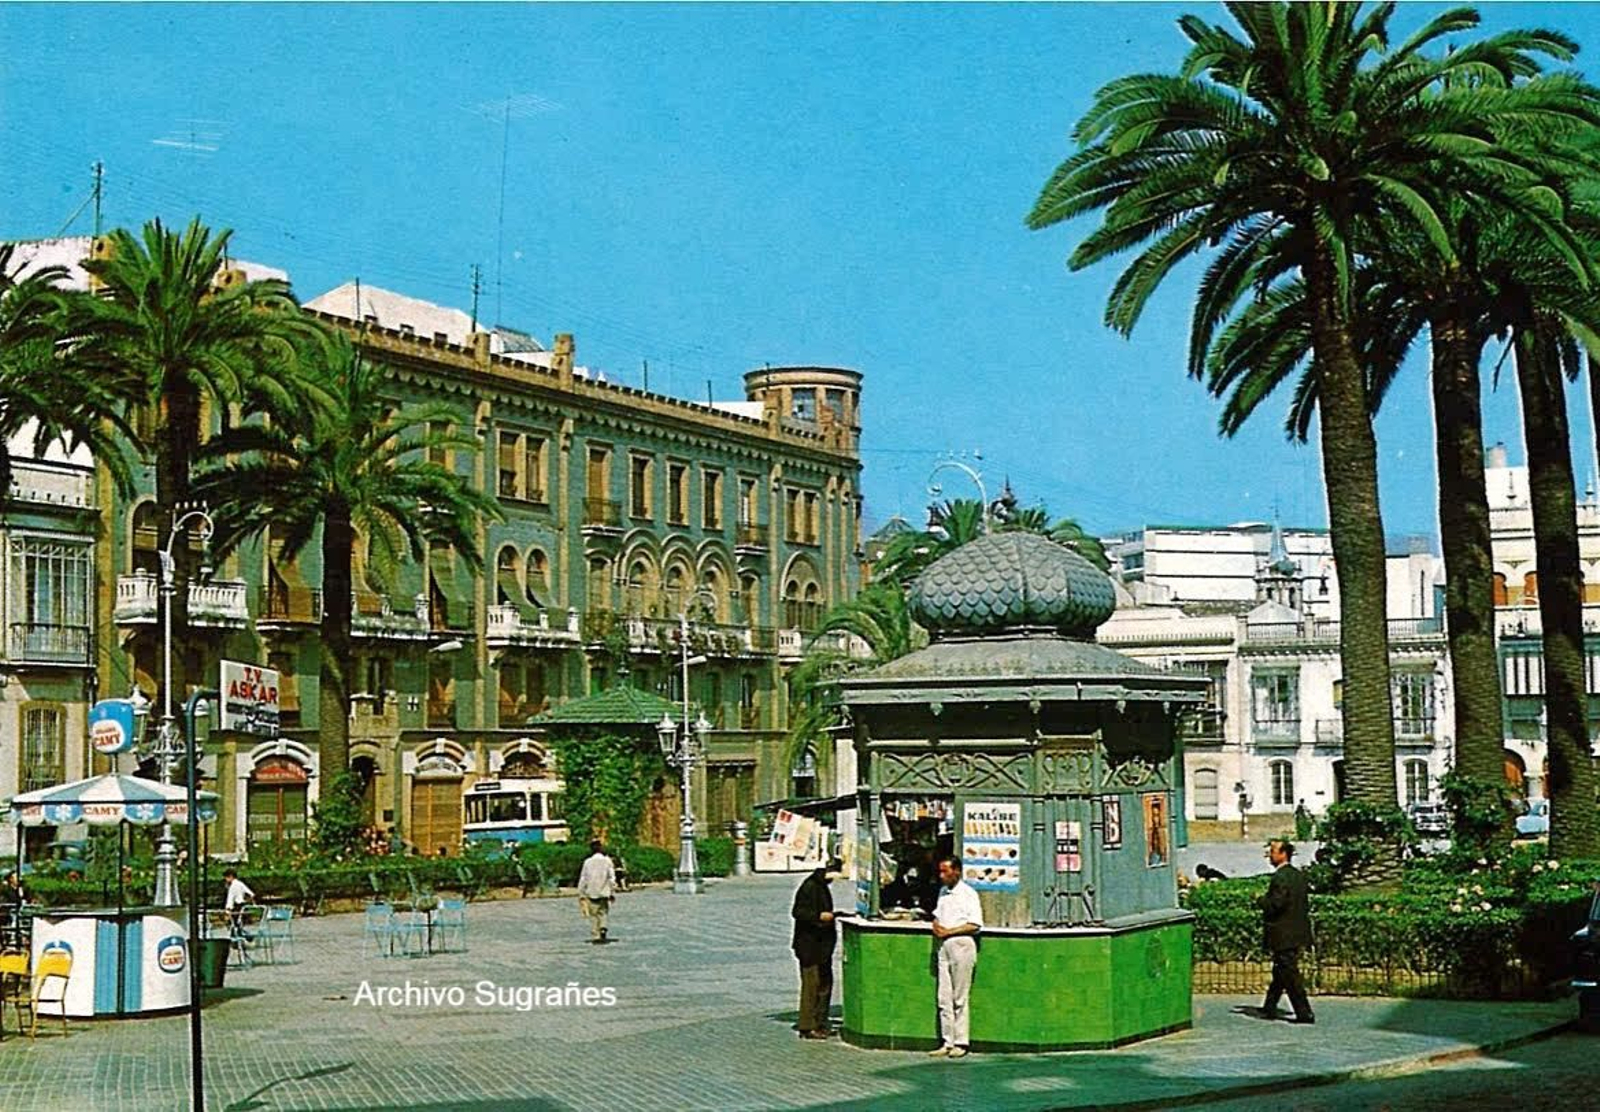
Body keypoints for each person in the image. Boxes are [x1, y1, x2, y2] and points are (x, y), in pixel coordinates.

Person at [928, 855, 983, 1058]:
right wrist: (936, 926)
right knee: (944, 997)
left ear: (957, 871)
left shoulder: (968, 894)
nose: (942, 876)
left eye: (946, 871)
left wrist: (949, 932)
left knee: (960, 996)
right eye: (940, 871)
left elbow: (975, 924)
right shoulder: (943, 892)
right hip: (943, 946)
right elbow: (937, 915)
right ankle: (947, 1040)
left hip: (961, 944)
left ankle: (961, 1041)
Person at [1259, 840, 1315, 1025]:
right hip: (1297, 931)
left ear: (1283, 854)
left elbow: (1276, 904)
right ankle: (1269, 1006)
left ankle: (1304, 1012)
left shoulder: (1280, 877)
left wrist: (1262, 901)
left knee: (1289, 973)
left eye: (1273, 851)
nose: (1270, 855)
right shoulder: (1298, 876)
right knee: (1280, 971)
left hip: (1283, 933)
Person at [791, 859, 839, 1040]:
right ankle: (808, 1025)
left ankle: (820, 1022)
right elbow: (798, 912)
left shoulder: (821, 886)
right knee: (812, 985)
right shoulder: (810, 887)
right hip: (810, 946)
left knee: (824, 984)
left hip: (822, 946)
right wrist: (819, 916)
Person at [576, 840, 617, 944]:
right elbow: (611, 877)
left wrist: (581, 892)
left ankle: (596, 934)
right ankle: (603, 927)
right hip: (604, 891)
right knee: (603, 912)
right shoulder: (607, 861)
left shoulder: (587, 862)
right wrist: (612, 891)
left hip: (592, 891)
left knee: (593, 914)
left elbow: (583, 878)